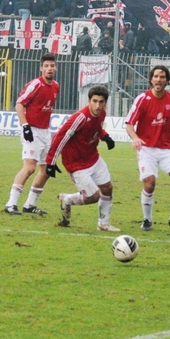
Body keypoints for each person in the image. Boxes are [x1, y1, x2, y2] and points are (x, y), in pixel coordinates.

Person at [125, 65, 170, 232]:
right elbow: (129, 124)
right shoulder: (142, 99)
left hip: (166, 149)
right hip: (146, 148)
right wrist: (135, 138)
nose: (158, 79)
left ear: (167, 81)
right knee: (150, 183)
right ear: (151, 79)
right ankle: (147, 220)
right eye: (156, 76)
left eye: (162, 77)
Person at [46, 85, 118, 231]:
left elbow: (96, 129)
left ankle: (103, 224)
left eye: (101, 102)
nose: (98, 106)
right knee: (93, 197)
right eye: (95, 101)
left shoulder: (102, 114)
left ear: (105, 103)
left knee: (107, 188)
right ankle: (67, 199)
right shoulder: (80, 118)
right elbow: (60, 138)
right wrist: (50, 162)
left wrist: (105, 137)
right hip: (77, 165)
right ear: (89, 101)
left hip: (93, 157)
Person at [4, 53, 59, 216]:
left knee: (47, 170)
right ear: (41, 68)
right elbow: (19, 104)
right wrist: (25, 126)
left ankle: (30, 205)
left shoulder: (56, 86)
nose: (49, 69)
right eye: (46, 66)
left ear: (55, 68)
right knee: (29, 168)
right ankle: (11, 203)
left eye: (52, 65)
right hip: (32, 130)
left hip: (45, 132)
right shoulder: (35, 84)